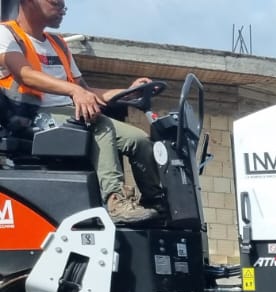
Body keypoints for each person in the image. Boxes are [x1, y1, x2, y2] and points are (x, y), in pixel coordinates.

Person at [0, 0, 164, 223]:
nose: (62, 8)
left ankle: (155, 203)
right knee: (98, 123)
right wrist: (74, 91)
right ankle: (115, 201)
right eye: (55, 2)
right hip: (32, 116)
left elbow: (86, 91)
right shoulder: (6, 34)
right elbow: (24, 74)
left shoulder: (58, 44)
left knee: (139, 140)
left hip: (69, 111)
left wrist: (127, 92)